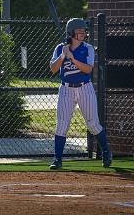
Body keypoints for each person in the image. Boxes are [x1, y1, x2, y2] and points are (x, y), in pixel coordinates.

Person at [49, 18, 112, 169]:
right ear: (71, 33)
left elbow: (88, 69)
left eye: (84, 30)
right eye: (80, 31)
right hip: (66, 89)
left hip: (85, 87)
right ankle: (57, 160)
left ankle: (106, 152)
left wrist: (72, 58)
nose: (83, 33)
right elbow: (53, 68)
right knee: (62, 125)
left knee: (93, 124)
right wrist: (63, 56)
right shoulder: (60, 48)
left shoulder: (88, 48)